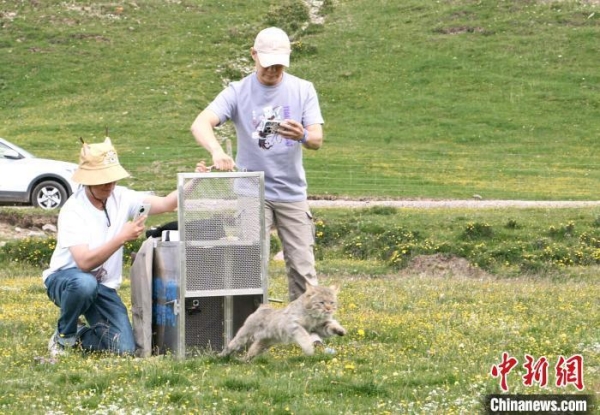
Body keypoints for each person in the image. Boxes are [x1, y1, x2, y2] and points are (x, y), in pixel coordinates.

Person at [190, 27, 324, 301]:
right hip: (251, 191)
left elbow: (317, 140)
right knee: (250, 265)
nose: (273, 71)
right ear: (253, 55)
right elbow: (200, 123)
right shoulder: (237, 91)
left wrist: (303, 135)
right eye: (267, 64)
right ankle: (249, 329)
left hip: (291, 192)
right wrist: (216, 150)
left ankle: (309, 332)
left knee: (303, 267)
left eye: (278, 65)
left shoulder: (303, 89)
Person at [42, 137, 204, 358]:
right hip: (67, 280)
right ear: (88, 181)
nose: (110, 186)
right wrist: (122, 237)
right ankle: (64, 335)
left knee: (123, 347)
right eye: (103, 181)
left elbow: (167, 203)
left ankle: (79, 334)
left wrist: (193, 182)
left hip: (103, 287)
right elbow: (84, 263)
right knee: (84, 283)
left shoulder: (122, 197)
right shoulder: (73, 210)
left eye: (113, 180)